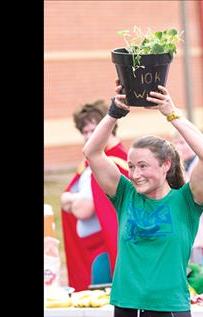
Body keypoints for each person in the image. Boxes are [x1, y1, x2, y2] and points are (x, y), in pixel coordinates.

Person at [83, 81, 203, 316]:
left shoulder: (186, 201)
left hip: (169, 309)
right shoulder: (125, 195)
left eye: (143, 166)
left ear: (166, 165)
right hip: (126, 306)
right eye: (132, 166)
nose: (135, 175)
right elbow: (92, 152)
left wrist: (171, 113)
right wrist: (114, 113)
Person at [61, 100, 128, 291]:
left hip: (105, 251)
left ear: (109, 127)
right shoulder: (88, 164)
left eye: (94, 130)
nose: (90, 136)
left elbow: (83, 210)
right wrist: (73, 200)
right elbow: (64, 197)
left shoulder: (113, 163)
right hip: (88, 251)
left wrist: (71, 201)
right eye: (85, 132)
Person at [171, 132, 203, 261]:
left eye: (182, 143)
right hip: (190, 235)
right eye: (175, 143)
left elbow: (189, 187)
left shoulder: (200, 165)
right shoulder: (183, 165)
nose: (178, 147)